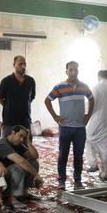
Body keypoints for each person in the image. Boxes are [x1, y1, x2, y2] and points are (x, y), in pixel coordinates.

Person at [44, 61, 94, 190]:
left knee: (78, 155)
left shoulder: (84, 86)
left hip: (80, 129)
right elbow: (47, 100)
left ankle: (77, 180)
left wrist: (88, 115)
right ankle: (61, 181)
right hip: (65, 127)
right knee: (63, 155)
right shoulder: (59, 87)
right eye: (71, 70)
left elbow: (92, 99)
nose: (73, 72)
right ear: (66, 71)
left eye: (76, 70)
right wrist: (55, 117)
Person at [0, 125, 43, 209]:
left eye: (24, 137)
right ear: (13, 132)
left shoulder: (18, 143)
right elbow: (21, 161)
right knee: (18, 167)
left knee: (33, 163)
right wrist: (36, 175)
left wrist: (28, 142)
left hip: (10, 176)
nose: (22, 139)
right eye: (20, 136)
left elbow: (34, 156)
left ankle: (24, 193)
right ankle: (12, 198)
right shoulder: (2, 145)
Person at [0, 55, 36, 137]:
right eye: (20, 64)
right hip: (10, 122)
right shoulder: (6, 81)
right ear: (14, 65)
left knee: (26, 147)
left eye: (24, 64)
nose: (23, 66)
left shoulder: (31, 81)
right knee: (8, 147)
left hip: (25, 121)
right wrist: (9, 106)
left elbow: (31, 98)